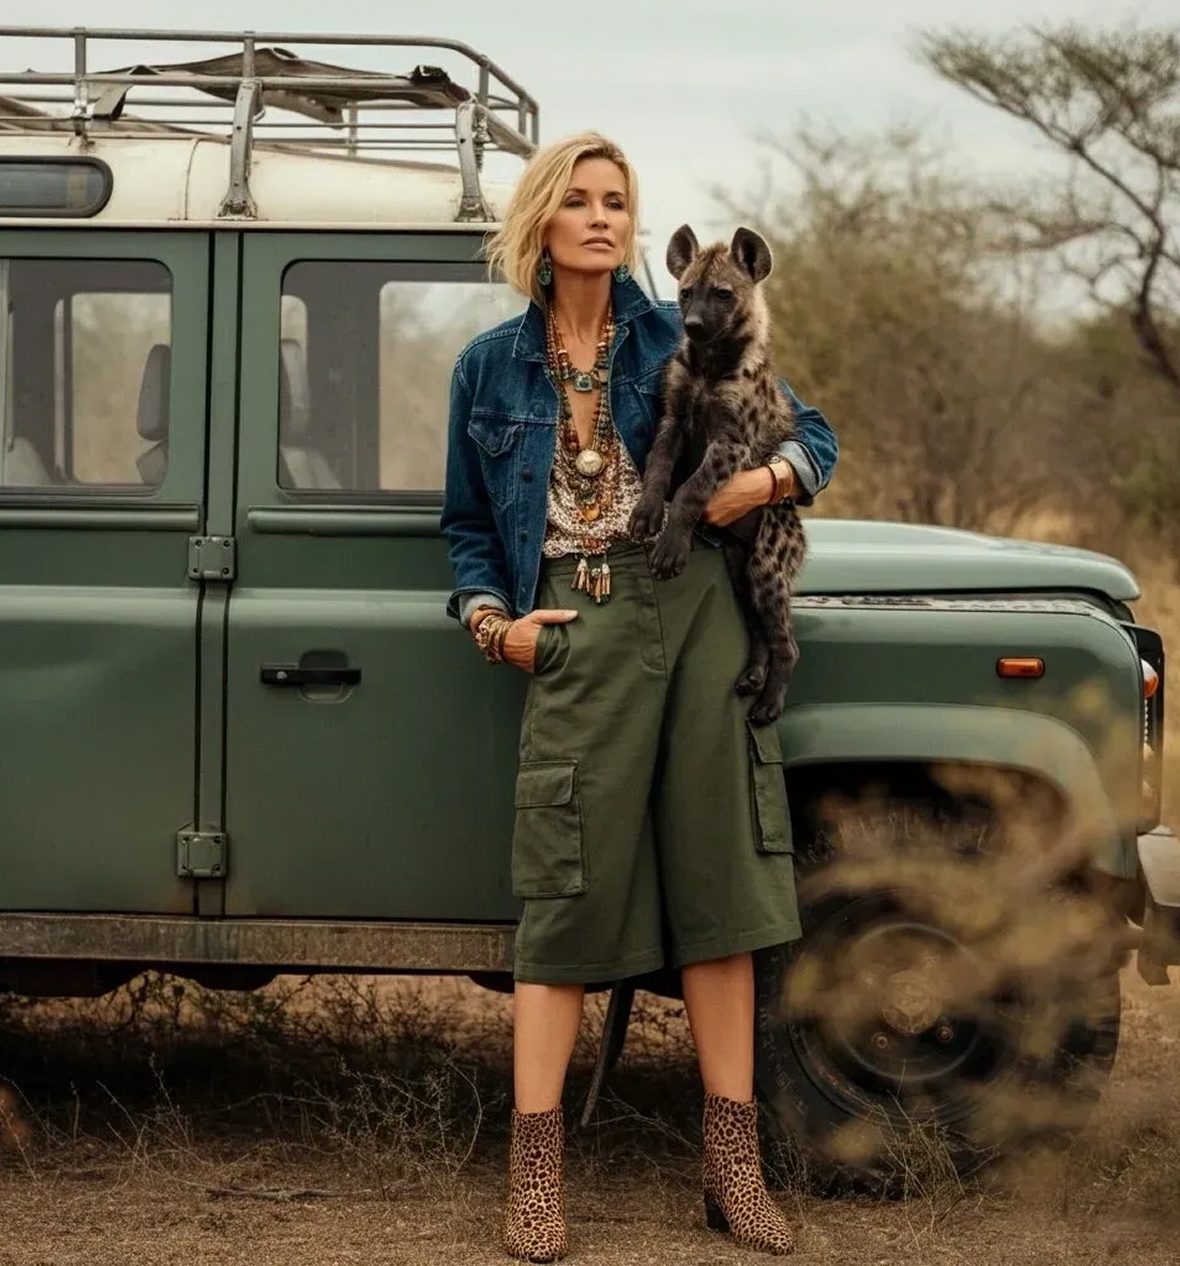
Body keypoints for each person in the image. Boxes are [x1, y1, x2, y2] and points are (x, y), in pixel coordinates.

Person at [441, 131, 838, 1262]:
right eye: (580, 201)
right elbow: (468, 529)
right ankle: (534, 1176)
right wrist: (491, 623)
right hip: (577, 624)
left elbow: (815, 440)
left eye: (619, 200)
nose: (605, 218)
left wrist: (751, 488)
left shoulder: (683, 329)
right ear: (541, 224)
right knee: (562, 899)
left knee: (722, 892)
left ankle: (733, 1170)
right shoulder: (487, 368)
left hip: (703, 612)